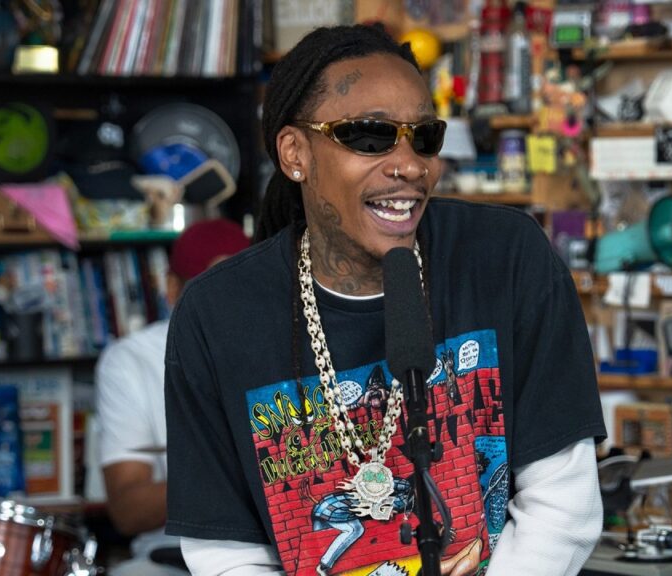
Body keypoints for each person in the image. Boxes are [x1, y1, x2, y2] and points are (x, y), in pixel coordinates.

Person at [164, 24, 606, 576]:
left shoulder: (505, 258)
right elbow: (226, 554)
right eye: (370, 136)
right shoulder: (219, 314)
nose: (411, 165)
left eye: (424, 137)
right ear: (295, 153)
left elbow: (563, 505)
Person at [95, 218, 251, 575]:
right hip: (173, 555)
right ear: (171, 288)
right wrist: (233, 473)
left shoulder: (284, 346)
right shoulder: (131, 360)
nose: (225, 307)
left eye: (241, 289)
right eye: (208, 291)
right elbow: (128, 510)